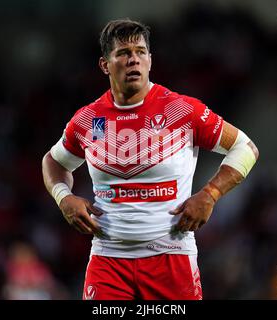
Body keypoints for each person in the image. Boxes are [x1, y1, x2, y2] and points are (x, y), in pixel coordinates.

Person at [42, 19, 259, 300]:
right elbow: (54, 161)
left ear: (150, 60)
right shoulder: (87, 119)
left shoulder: (181, 109)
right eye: (123, 53)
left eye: (140, 52)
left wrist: (211, 193)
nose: (133, 59)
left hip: (171, 257)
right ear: (105, 65)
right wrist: (63, 197)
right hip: (108, 260)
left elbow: (245, 147)